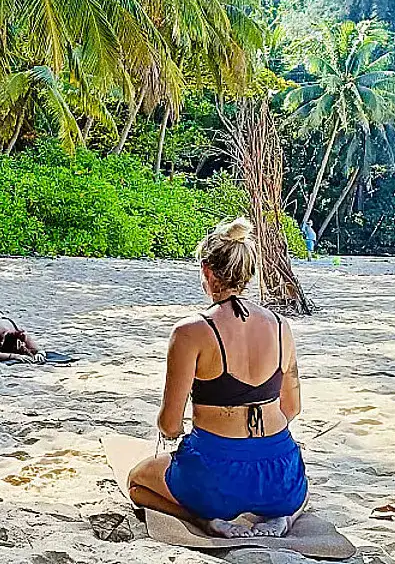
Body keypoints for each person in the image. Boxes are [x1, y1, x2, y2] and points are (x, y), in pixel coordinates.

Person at [128, 218, 307, 539]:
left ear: (207, 271)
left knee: (138, 481)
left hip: (216, 476)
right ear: (248, 273)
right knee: (301, 491)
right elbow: (292, 408)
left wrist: (180, 434)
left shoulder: (190, 331)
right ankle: (284, 519)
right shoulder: (281, 326)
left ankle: (207, 521)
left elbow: (169, 424)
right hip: (279, 472)